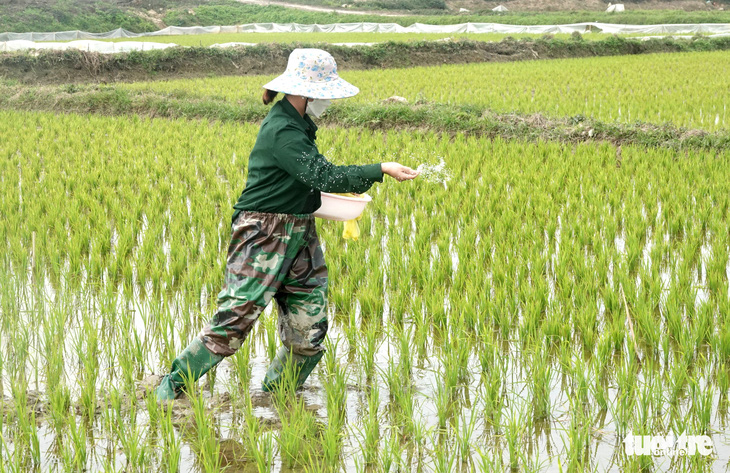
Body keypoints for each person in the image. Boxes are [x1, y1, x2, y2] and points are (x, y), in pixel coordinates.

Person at [156, 48, 419, 401]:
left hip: (299, 232)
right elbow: (321, 174)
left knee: (310, 325)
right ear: (306, 93)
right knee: (235, 318)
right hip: (262, 234)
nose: (328, 101)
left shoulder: (299, 125)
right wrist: (380, 168)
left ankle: (278, 397)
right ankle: (172, 386)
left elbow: (303, 183)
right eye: (324, 94)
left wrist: (316, 205)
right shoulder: (282, 129)